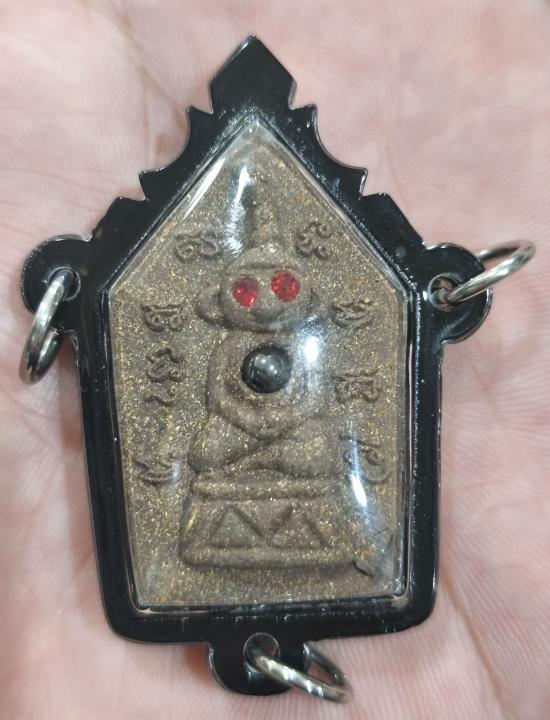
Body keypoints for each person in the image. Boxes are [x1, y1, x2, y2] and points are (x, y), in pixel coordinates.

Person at [1, 2, 549, 718]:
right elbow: (223, 396)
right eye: (247, 290)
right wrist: (245, 428)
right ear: (225, 298)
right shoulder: (226, 344)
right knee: (211, 449)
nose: (262, 302)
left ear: (301, 292)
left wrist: (278, 428)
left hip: (294, 443)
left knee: (316, 453)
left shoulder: (306, 339)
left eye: (280, 288)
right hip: (236, 446)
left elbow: (306, 398)